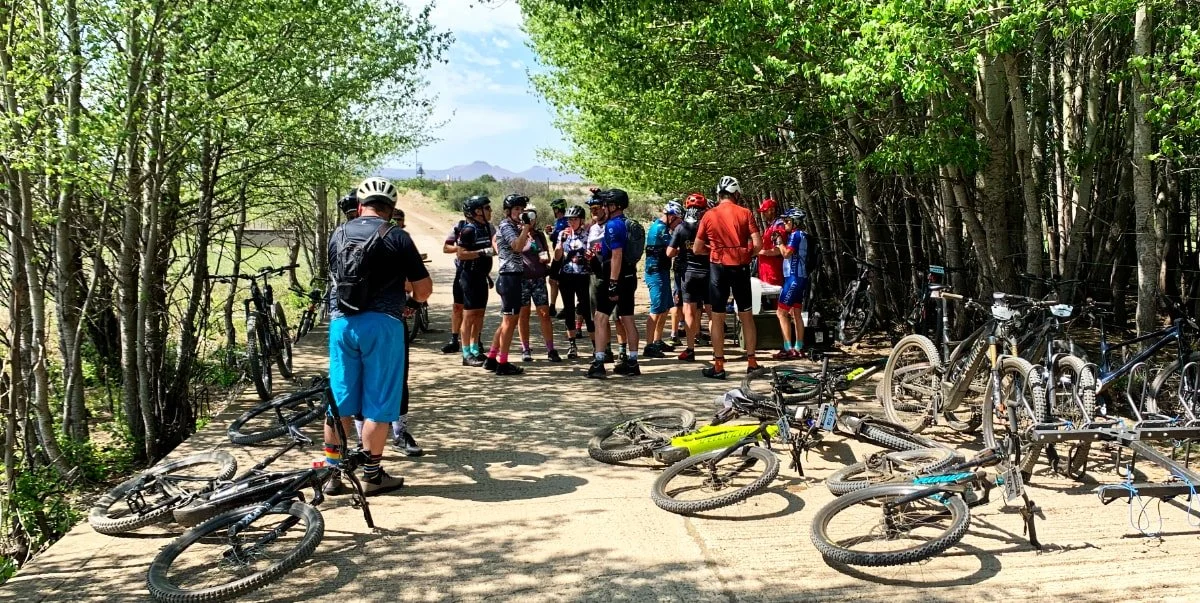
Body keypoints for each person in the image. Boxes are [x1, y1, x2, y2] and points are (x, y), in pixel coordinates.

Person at [324, 177, 431, 496]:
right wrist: (411, 302)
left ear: (359, 206)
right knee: (379, 403)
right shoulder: (397, 236)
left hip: (342, 324)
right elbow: (423, 289)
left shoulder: (338, 233)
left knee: (339, 402)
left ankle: (333, 475)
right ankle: (371, 475)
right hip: (383, 325)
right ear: (391, 209)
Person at [694, 176, 762, 379]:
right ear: (736, 194)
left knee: (717, 317)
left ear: (719, 194)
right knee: (746, 317)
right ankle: (752, 362)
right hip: (740, 268)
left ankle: (718, 366)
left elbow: (697, 248)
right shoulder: (745, 213)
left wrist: (714, 250)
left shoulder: (708, 215)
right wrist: (745, 254)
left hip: (718, 268)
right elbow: (757, 245)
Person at [587, 188, 641, 378]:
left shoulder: (613, 226)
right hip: (629, 277)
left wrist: (612, 282)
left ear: (613, 206)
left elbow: (616, 255)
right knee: (627, 319)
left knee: (600, 318)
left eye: (606, 204)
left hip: (616, 278)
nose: (603, 207)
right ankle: (633, 362)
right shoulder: (626, 224)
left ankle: (599, 362)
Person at [486, 193, 533, 375]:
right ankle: (503, 363)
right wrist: (526, 228)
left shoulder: (513, 225)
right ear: (508, 211)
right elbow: (517, 246)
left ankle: (491, 358)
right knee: (510, 322)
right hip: (509, 277)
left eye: (522, 209)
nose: (520, 212)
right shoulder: (507, 226)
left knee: (507, 321)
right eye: (516, 209)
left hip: (512, 276)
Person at [667, 193, 710, 362]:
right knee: (712, 312)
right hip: (708, 272)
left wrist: (683, 250)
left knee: (689, 311)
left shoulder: (681, 228)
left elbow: (669, 252)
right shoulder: (707, 226)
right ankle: (717, 350)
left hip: (688, 273)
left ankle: (690, 349)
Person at [455, 195, 496, 367]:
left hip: (481, 276)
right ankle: (465, 353)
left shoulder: (486, 228)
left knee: (479, 314)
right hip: (469, 276)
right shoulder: (468, 230)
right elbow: (461, 253)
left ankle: (475, 349)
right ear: (477, 211)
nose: (490, 211)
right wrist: (481, 252)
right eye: (487, 208)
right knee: (469, 315)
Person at [517, 205, 561, 362]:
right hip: (522, 280)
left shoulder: (539, 235)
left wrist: (545, 259)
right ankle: (525, 348)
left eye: (532, 215)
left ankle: (550, 349)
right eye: (526, 215)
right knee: (524, 315)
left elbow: (546, 254)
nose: (529, 219)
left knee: (544, 314)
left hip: (538, 280)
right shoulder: (516, 234)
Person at [554, 205, 595, 360]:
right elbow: (557, 257)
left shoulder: (587, 234)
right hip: (566, 276)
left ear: (581, 220)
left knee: (586, 310)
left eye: (575, 219)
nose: (571, 222)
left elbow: (591, 253)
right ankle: (572, 345)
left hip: (583, 276)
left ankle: (595, 345)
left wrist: (589, 255)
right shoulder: (563, 234)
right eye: (569, 219)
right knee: (569, 311)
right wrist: (560, 242)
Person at [643, 200, 683, 357]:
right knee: (656, 308)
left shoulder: (663, 227)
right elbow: (672, 250)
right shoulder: (660, 229)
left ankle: (657, 340)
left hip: (662, 271)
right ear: (671, 217)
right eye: (678, 219)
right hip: (655, 273)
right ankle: (648, 345)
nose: (679, 223)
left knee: (665, 307)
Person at [775, 208, 810, 358]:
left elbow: (787, 253)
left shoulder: (795, 235)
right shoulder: (803, 235)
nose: (785, 224)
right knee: (796, 313)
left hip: (793, 278)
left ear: (796, 222)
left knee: (781, 312)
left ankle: (788, 348)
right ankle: (799, 347)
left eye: (788, 221)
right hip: (801, 278)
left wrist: (779, 243)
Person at [441, 210, 467, 354]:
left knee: (475, 310)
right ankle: (454, 340)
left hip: (478, 272)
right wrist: (462, 248)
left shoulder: (487, 227)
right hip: (461, 271)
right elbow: (446, 247)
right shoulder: (459, 227)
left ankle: (476, 340)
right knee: (458, 306)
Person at [546, 198, 569, 317]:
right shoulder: (558, 221)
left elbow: (556, 237)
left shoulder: (564, 221)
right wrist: (550, 233)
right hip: (557, 254)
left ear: (557, 209)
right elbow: (554, 237)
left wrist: (552, 233)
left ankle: (565, 307)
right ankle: (553, 306)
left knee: (560, 282)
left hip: (562, 255)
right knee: (553, 280)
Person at [757, 198, 785, 288]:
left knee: (776, 299)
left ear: (772, 210)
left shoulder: (779, 226)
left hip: (774, 271)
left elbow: (779, 250)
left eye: (765, 211)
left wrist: (760, 252)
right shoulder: (771, 226)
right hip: (767, 271)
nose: (763, 214)